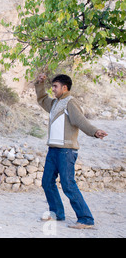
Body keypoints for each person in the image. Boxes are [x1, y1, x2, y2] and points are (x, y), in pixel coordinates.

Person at [35, 73, 108, 229]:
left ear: (64, 87)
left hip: (66, 151)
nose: (53, 89)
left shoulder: (70, 102)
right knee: (47, 182)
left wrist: (94, 131)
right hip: (53, 150)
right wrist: (40, 83)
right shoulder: (55, 103)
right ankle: (57, 214)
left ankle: (86, 219)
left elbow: (80, 120)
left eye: (55, 86)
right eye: (52, 86)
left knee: (68, 185)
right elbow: (42, 99)